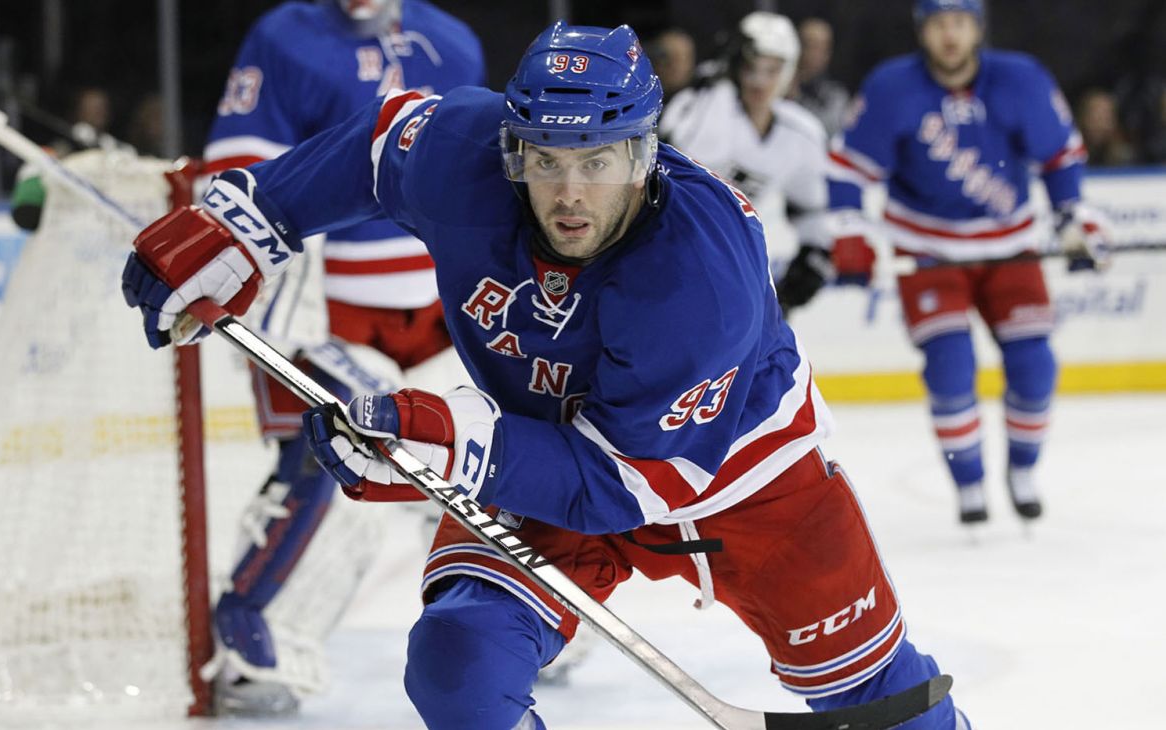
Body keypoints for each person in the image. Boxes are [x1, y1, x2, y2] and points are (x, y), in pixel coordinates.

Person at [120, 21, 968, 729]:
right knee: (458, 668)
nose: (569, 194)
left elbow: (627, 484)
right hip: (547, 459)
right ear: (510, 147)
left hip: (743, 480)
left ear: (644, 155)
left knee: (881, 699)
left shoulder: (700, 278)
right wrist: (252, 218)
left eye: (598, 162)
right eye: (545, 159)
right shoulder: (465, 155)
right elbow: (375, 147)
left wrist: (452, 443)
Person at [193, 0, 484, 714]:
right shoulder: (286, 36)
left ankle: (510, 617)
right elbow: (238, 170)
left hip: (444, 315)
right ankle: (255, 633)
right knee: (343, 458)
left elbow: (478, 174)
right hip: (330, 316)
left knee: (491, 454)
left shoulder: (452, 42)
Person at [821, 0, 1111, 524]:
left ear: (977, 28)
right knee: (950, 368)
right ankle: (970, 482)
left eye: (959, 22)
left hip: (1010, 247)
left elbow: (1060, 155)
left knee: (1035, 366)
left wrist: (1073, 216)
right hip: (927, 251)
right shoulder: (893, 87)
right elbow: (848, 167)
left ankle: (1022, 470)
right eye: (938, 24)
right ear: (922, 30)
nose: (949, 35)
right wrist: (850, 229)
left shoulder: (1020, 79)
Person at [659, 11, 832, 317]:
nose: (760, 81)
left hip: (732, 268)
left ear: (788, 71)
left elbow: (811, 211)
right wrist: (718, 84)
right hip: (666, 254)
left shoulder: (801, 135)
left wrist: (813, 256)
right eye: (751, 67)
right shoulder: (699, 110)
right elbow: (684, 152)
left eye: (772, 69)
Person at [790, 18, 850, 138]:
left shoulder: (836, 96)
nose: (814, 53)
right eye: (808, 45)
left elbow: (830, 131)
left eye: (821, 47)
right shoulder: (778, 87)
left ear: (828, 54)